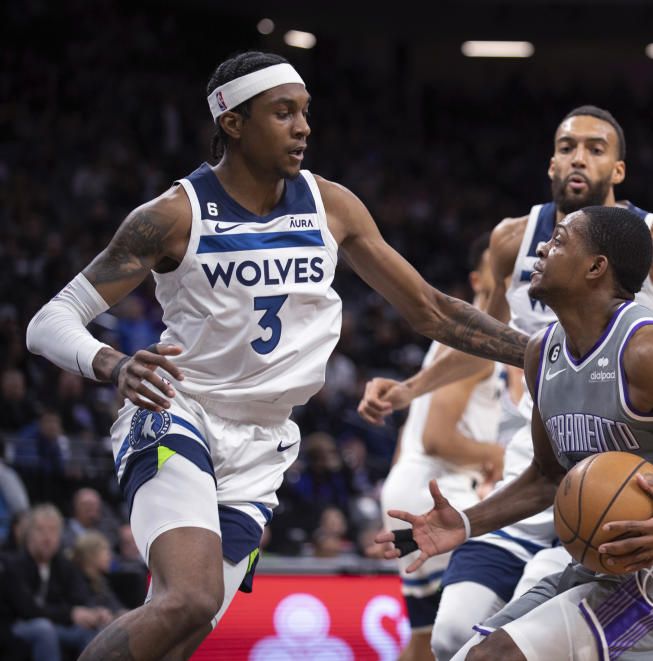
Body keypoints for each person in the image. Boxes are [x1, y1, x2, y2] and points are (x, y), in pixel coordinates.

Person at [24, 50, 526, 660]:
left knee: (185, 628)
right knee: (190, 597)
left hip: (264, 444)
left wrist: (542, 351)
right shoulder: (174, 215)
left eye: (306, 113)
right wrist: (113, 363)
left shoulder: (332, 205)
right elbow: (49, 320)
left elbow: (432, 310)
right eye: (282, 113)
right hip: (179, 410)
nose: (303, 127)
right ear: (232, 122)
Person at [359, 104, 653, 659]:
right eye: (567, 146)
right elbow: (466, 337)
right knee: (461, 647)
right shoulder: (540, 339)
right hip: (567, 485)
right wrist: (464, 519)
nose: (544, 249)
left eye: (595, 148)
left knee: (509, 654)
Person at [381, 233, 506, 661]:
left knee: (423, 639)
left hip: (413, 484)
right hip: (438, 491)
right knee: (471, 634)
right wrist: (496, 456)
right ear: (477, 278)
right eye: (499, 264)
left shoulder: (465, 335)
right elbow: (437, 436)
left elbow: (410, 437)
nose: (510, 272)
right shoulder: (476, 340)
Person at [1, 504, 108, 661]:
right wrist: (70, 613)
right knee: (44, 629)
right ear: (28, 534)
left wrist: (94, 613)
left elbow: (79, 598)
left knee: (93, 630)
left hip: (56, 624)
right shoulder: (14, 566)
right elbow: (28, 610)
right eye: (40, 530)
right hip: (17, 626)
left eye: (53, 531)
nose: (47, 537)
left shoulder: (64, 565)